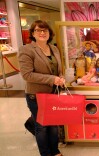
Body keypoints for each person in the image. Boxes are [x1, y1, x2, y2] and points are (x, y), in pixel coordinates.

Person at [18, 20, 64, 156]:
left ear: (50, 33)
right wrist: (52, 79)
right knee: (42, 127)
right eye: (38, 30)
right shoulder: (26, 50)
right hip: (36, 95)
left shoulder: (54, 48)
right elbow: (27, 75)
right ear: (33, 33)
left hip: (53, 94)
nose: (42, 33)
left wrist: (61, 77)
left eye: (45, 30)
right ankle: (45, 153)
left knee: (54, 125)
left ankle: (55, 151)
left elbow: (57, 69)